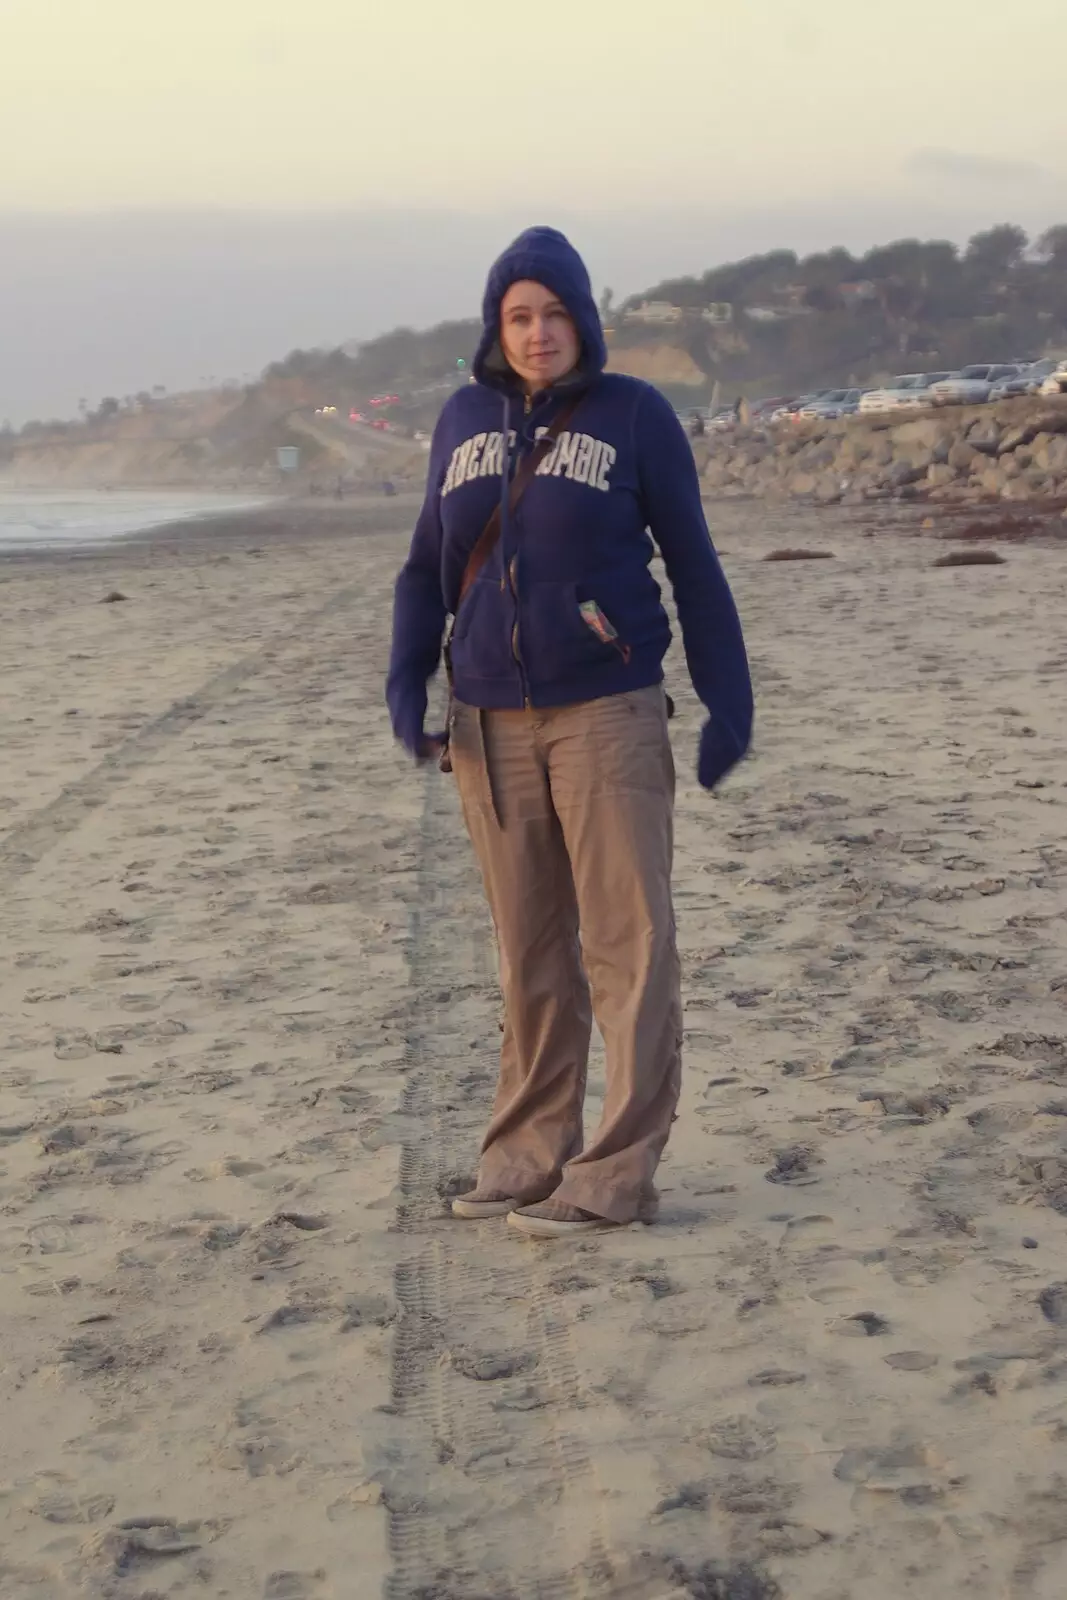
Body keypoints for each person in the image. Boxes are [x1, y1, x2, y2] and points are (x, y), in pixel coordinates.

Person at [386, 227, 753, 1239]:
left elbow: (692, 563)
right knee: (529, 949)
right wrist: (404, 681)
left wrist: (728, 700)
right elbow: (426, 566)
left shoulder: (634, 415)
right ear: (494, 327)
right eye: (518, 316)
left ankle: (615, 1173)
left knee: (627, 944)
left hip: (605, 712)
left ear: (582, 319)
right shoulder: (460, 419)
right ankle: (524, 1156)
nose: (537, 333)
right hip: (487, 720)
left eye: (554, 314)